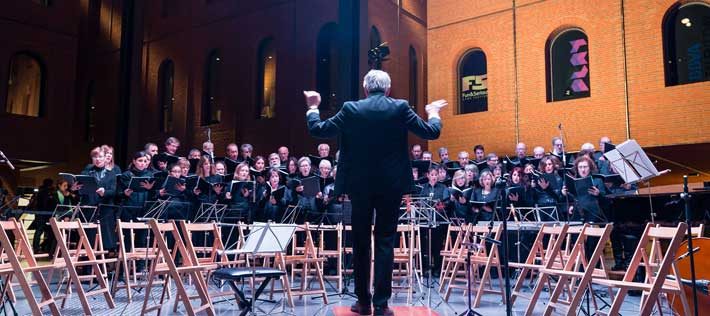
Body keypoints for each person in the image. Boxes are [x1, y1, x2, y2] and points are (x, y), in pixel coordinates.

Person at [305, 69, 445, 316]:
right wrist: (433, 113)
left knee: (360, 243)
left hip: (359, 186)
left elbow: (319, 129)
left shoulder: (351, 108)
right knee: (385, 242)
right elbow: (431, 132)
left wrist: (313, 106)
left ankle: (363, 302)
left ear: (365, 88)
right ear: (388, 89)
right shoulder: (400, 107)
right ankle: (381, 304)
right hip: (391, 186)